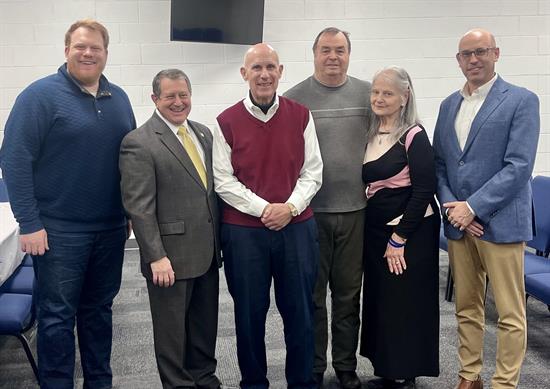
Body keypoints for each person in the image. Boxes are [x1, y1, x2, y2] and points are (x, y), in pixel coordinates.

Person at [0, 19, 135, 388]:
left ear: (106, 54)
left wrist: (127, 214)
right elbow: (13, 159)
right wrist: (28, 223)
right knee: (57, 318)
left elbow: (128, 161)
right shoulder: (39, 96)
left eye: (96, 47)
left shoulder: (119, 98)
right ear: (66, 51)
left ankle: (99, 382)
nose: (88, 53)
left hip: (109, 229)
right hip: (58, 232)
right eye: (80, 46)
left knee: (99, 313)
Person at [212, 43, 323, 389]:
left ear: (281, 71)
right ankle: (253, 383)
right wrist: (266, 210)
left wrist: (289, 208)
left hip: (297, 229)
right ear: (244, 74)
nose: (264, 74)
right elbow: (222, 180)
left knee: (301, 312)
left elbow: (313, 172)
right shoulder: (225, 121)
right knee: (248, 315)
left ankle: (302, 382)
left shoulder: (301, 115)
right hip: (245, 234)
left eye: (270, 67)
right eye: (257, 68)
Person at [433, 28, 539, 389]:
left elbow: (519, 166)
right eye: (466, 54)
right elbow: (441, 165)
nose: (473, 59)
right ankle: (469, 374)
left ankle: (504, 383)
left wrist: (473, 208)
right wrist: (454, 209)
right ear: (458, 60)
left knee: (510, 312)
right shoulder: (449, 105)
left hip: (501, 222)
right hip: (459, 226)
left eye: (480, 51)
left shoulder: (521, 100)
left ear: (496, 53)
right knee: (466, 307)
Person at [119, 69, 221, 389]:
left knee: (204, 324)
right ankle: (178, 384)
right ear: (155, 99)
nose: (178, 102)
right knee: (172, 330)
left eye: (184, 95)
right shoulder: (139, 142)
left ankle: (204, 377)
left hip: (206, 250)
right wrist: (155, 256)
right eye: (170, 96)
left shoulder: (203, 134)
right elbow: (139, 206)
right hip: (169, 257)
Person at [284, 27, 371, 389]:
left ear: (349, 54)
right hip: (309, 216)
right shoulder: (293, 98)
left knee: (350, 296)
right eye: (325, 50)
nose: (332, 56)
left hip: (357, 212)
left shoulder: (369, 95)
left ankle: (346, 365)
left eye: (340, 50)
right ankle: (316, 365)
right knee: (313, 298)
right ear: (314, 53)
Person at [360, 66, 440, 389]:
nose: (379, 98)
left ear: (404, 97)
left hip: (409, 233)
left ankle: (407, 373)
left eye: (388, 93)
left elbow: (424, 190)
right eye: (376, 92)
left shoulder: (414, 136)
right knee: (383, 299)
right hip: (376, 229)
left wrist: (399, 237)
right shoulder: (372, 130)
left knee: (405, 302)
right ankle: (387, 368)